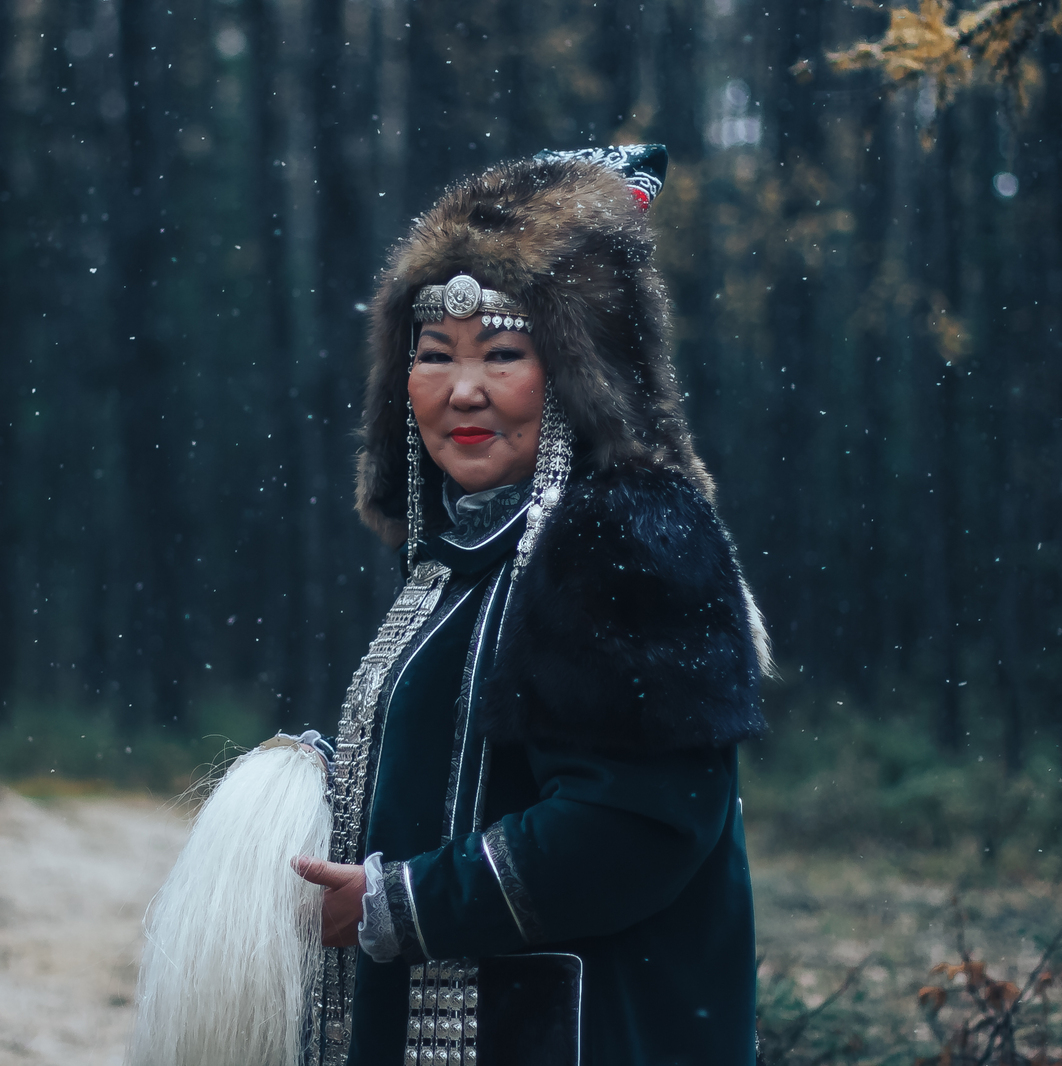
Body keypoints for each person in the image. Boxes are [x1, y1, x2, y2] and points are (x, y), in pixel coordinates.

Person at [290, 145, 771, 1066]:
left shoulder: (632, 535)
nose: (463, 390)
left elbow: (636, 826)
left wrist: (405, 903)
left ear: (578, 371)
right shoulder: (462, 556)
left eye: (504, 353)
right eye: (435, 356)